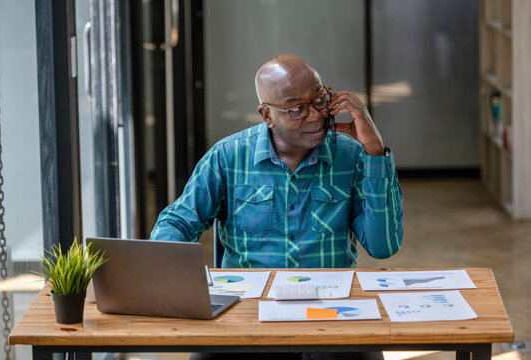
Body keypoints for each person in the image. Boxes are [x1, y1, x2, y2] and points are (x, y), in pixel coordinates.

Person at [151, 54, 403, 359]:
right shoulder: (228, 157)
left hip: (332, 315)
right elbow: (178, 222)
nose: (315, 115)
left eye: (320, 98)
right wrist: (175, 281)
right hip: (248, 316)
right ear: (266, 115)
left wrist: (375, 151)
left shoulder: (352, 155)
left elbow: (383, 246)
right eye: (297, 108)